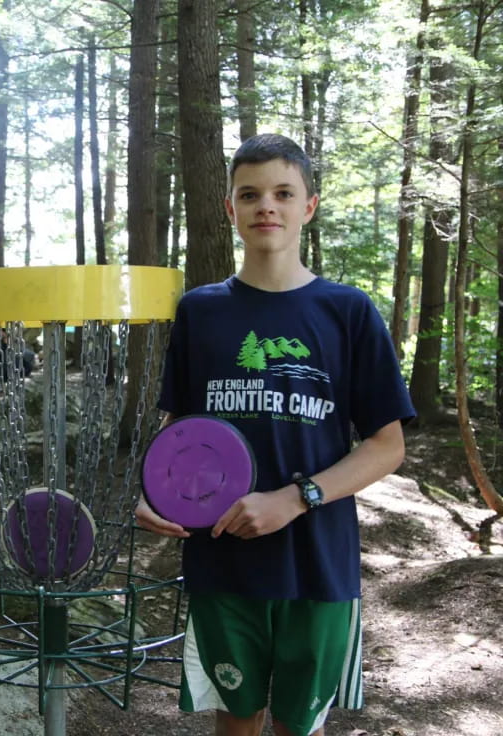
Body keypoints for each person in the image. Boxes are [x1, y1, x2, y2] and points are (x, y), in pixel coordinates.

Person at [136, 133, 414, 736]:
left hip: (316, 561)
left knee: (296, 725)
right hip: (221, 557)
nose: (268, 205)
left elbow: (386, 445)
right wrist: (154, 490)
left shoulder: (348, 311)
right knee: (235, 719)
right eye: (251, 193)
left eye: (284, 193)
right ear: (228, 209)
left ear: (308, 206)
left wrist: (294, 499)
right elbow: (181, 428)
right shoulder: (201, 311)